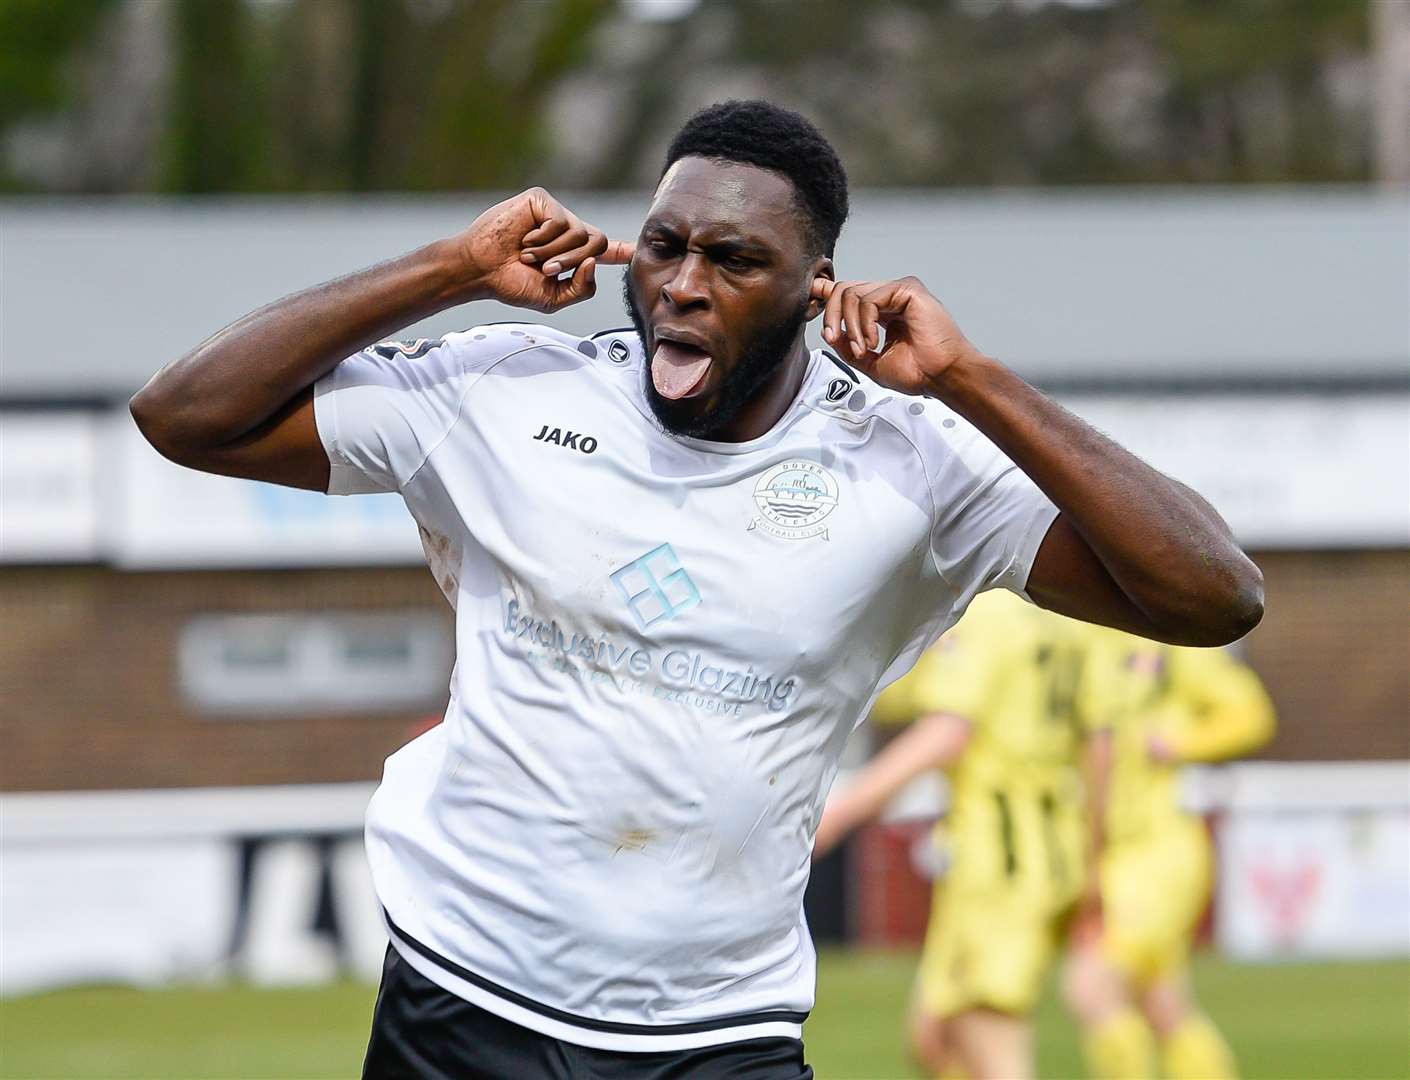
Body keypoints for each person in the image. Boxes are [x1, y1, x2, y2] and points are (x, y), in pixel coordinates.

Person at [129, 99, 1263, 1078]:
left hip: (722, 1025)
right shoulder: (509, 392)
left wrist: (970, 379)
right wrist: (453, 269)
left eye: (734, 259)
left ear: (816, 287)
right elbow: (184, 416)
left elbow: (1211, 596)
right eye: (665, 246)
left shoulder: (908, 461)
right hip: (464, 991)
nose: (683, 284)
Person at [813, 590, 1104, 1080]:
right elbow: (1100, 743)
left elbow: (946, 733)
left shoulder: (986, 615)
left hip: (1004, 859)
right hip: (1043, 849)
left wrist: (837, 815)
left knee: (992, 1046)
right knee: (935, 1038)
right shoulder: (1066, 621)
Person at [1063, 633, 1275, 1080]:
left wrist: (1179, 743)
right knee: (1164, 1007)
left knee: (1092, 986)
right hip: (1112, 854)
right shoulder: (1067, 634)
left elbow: (1251, 713)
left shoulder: (1164, 637)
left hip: (1156, 852)